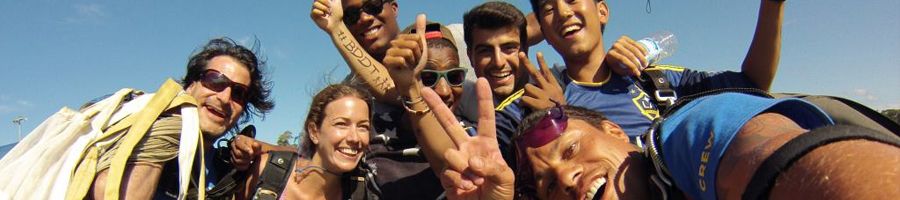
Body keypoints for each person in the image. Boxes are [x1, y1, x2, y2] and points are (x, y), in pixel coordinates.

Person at [419, 76, 900, 200]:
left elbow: (767, 155)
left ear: (616, 131)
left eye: (571, 150)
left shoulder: (687, 136)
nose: (565, 178)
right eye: (547, 187)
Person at [528, 0, 786, 138]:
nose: (562, 11)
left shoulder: (656, 80)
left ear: (603, 11)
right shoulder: (545, 97)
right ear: (544, 35)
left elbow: (754, 82)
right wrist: (555, 118)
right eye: (548, 9)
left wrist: (773, 5)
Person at [90, 38, 274, 199]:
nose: (225, 98)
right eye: (215, 81)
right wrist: (165, 134)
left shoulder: (225, 173)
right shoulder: (140, 133)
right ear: (190, 85)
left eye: (239, 93)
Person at [237, 84, 373, 200]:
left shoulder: (361, 193)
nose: (354, 138)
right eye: (341, 124)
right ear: (314, 132)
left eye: (363, 127)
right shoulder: (268, 172)